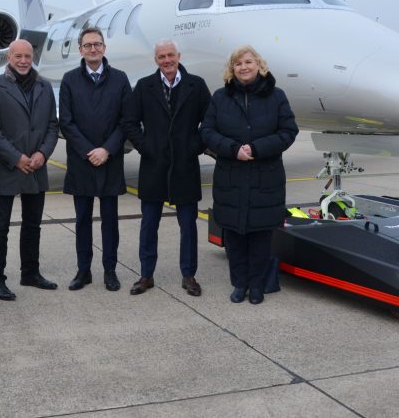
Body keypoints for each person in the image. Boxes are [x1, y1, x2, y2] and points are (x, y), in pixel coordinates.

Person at [200, 45, 298, 305]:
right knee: (234, 237)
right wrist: (233, 149)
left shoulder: (277, 96)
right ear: (232, 69)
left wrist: (256, 148)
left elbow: (288, 131)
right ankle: (239, 283)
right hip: (231, 177)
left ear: (259, 65)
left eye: (248, 62)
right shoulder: (220, 97)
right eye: (238, 63)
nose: (243, 67)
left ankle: (256, 285)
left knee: (260, 237)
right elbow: (207, 131)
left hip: (265, 178)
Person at [122, 40, 211, 296]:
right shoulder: (144, 86)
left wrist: (193, 147)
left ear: (178, 56)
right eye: (161, 56)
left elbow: (210, 121)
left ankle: (189, 275)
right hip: (154, 166)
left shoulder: (196, 85)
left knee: (188, 226)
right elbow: (130, 122)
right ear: (156, 60)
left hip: (185, 166)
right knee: (149, 225)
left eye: (170, 55)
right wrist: (146, 147)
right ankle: (146, 274)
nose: (167, 60)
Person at [0, 39, 60, 300]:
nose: (24, 60)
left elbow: (52, 125)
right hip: (9, 166)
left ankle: (30, 273)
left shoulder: (44, 86)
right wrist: (16, 158)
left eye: (28, 56)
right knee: (0, 226)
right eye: (18, 56)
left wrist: (42, 154)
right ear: (9, 58)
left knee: (33, 225)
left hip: (36, 167)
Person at [59, 27, 132, 291]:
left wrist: (107, 150)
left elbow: (126, 121)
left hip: (110, 161)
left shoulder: (120, 79)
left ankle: (110, 270)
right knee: (82, 221)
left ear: (104, 48)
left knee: (110, 221)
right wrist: (90, 151)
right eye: (88, 45)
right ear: (80, 50)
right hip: (82, 162)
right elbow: (66, 122)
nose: (93, 49)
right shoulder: (69, 80)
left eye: (97, 44)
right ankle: (84, 270)